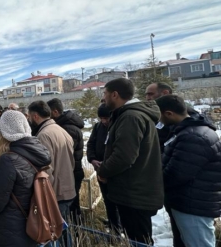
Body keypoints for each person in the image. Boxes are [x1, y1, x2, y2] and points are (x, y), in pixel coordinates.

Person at [97, 78, 163, 245]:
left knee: (139, 240)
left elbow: (124, 156)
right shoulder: (130, 115)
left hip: (134, 192)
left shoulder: (130, 117)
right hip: (134, 189)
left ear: (115, 94)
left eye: (105, 94)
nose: (103, 98)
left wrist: (103, 171)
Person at [156, 95, 221, 247]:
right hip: (189, 201)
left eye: (159, 115)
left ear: (169, 114)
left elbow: (176, 174)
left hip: (193, 204)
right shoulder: (185, 131)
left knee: (199, 244)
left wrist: (154, 182)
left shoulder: (193, 136)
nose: (158, 120)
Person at [0, 110, 52, 247]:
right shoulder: (38, 150)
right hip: (34, 221)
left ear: (4, 132)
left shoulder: (8, 159)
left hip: (13, 229)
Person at [27, 100, 75, 246]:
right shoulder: (61, 130)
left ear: (35, 116)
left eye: (29, 116)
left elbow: (47, 171)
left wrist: (45, 199)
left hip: (57, 193)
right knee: (63, 231)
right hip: (68, 188)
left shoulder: (44, 135)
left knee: (54, 235)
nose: (28, 119)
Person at [47, 98, 85, 222]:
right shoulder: (62, 126)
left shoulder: (68, 129)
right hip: (70, 171)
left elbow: (64, 153)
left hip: (71, 172)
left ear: (56, 112)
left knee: (72, 207)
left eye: (49, 113)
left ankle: (75, 233)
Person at [86, 104, 121, 234]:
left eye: (106, 118)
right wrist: (92, 159)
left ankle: (119, 227)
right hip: (100, 170)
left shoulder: (118, 126)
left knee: (116, 200)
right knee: (107, 199)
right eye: (101, 118)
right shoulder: (98, 127)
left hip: (114, 171)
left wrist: (108, 166)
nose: (104, 121)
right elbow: (90, 144)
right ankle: (113, 222)